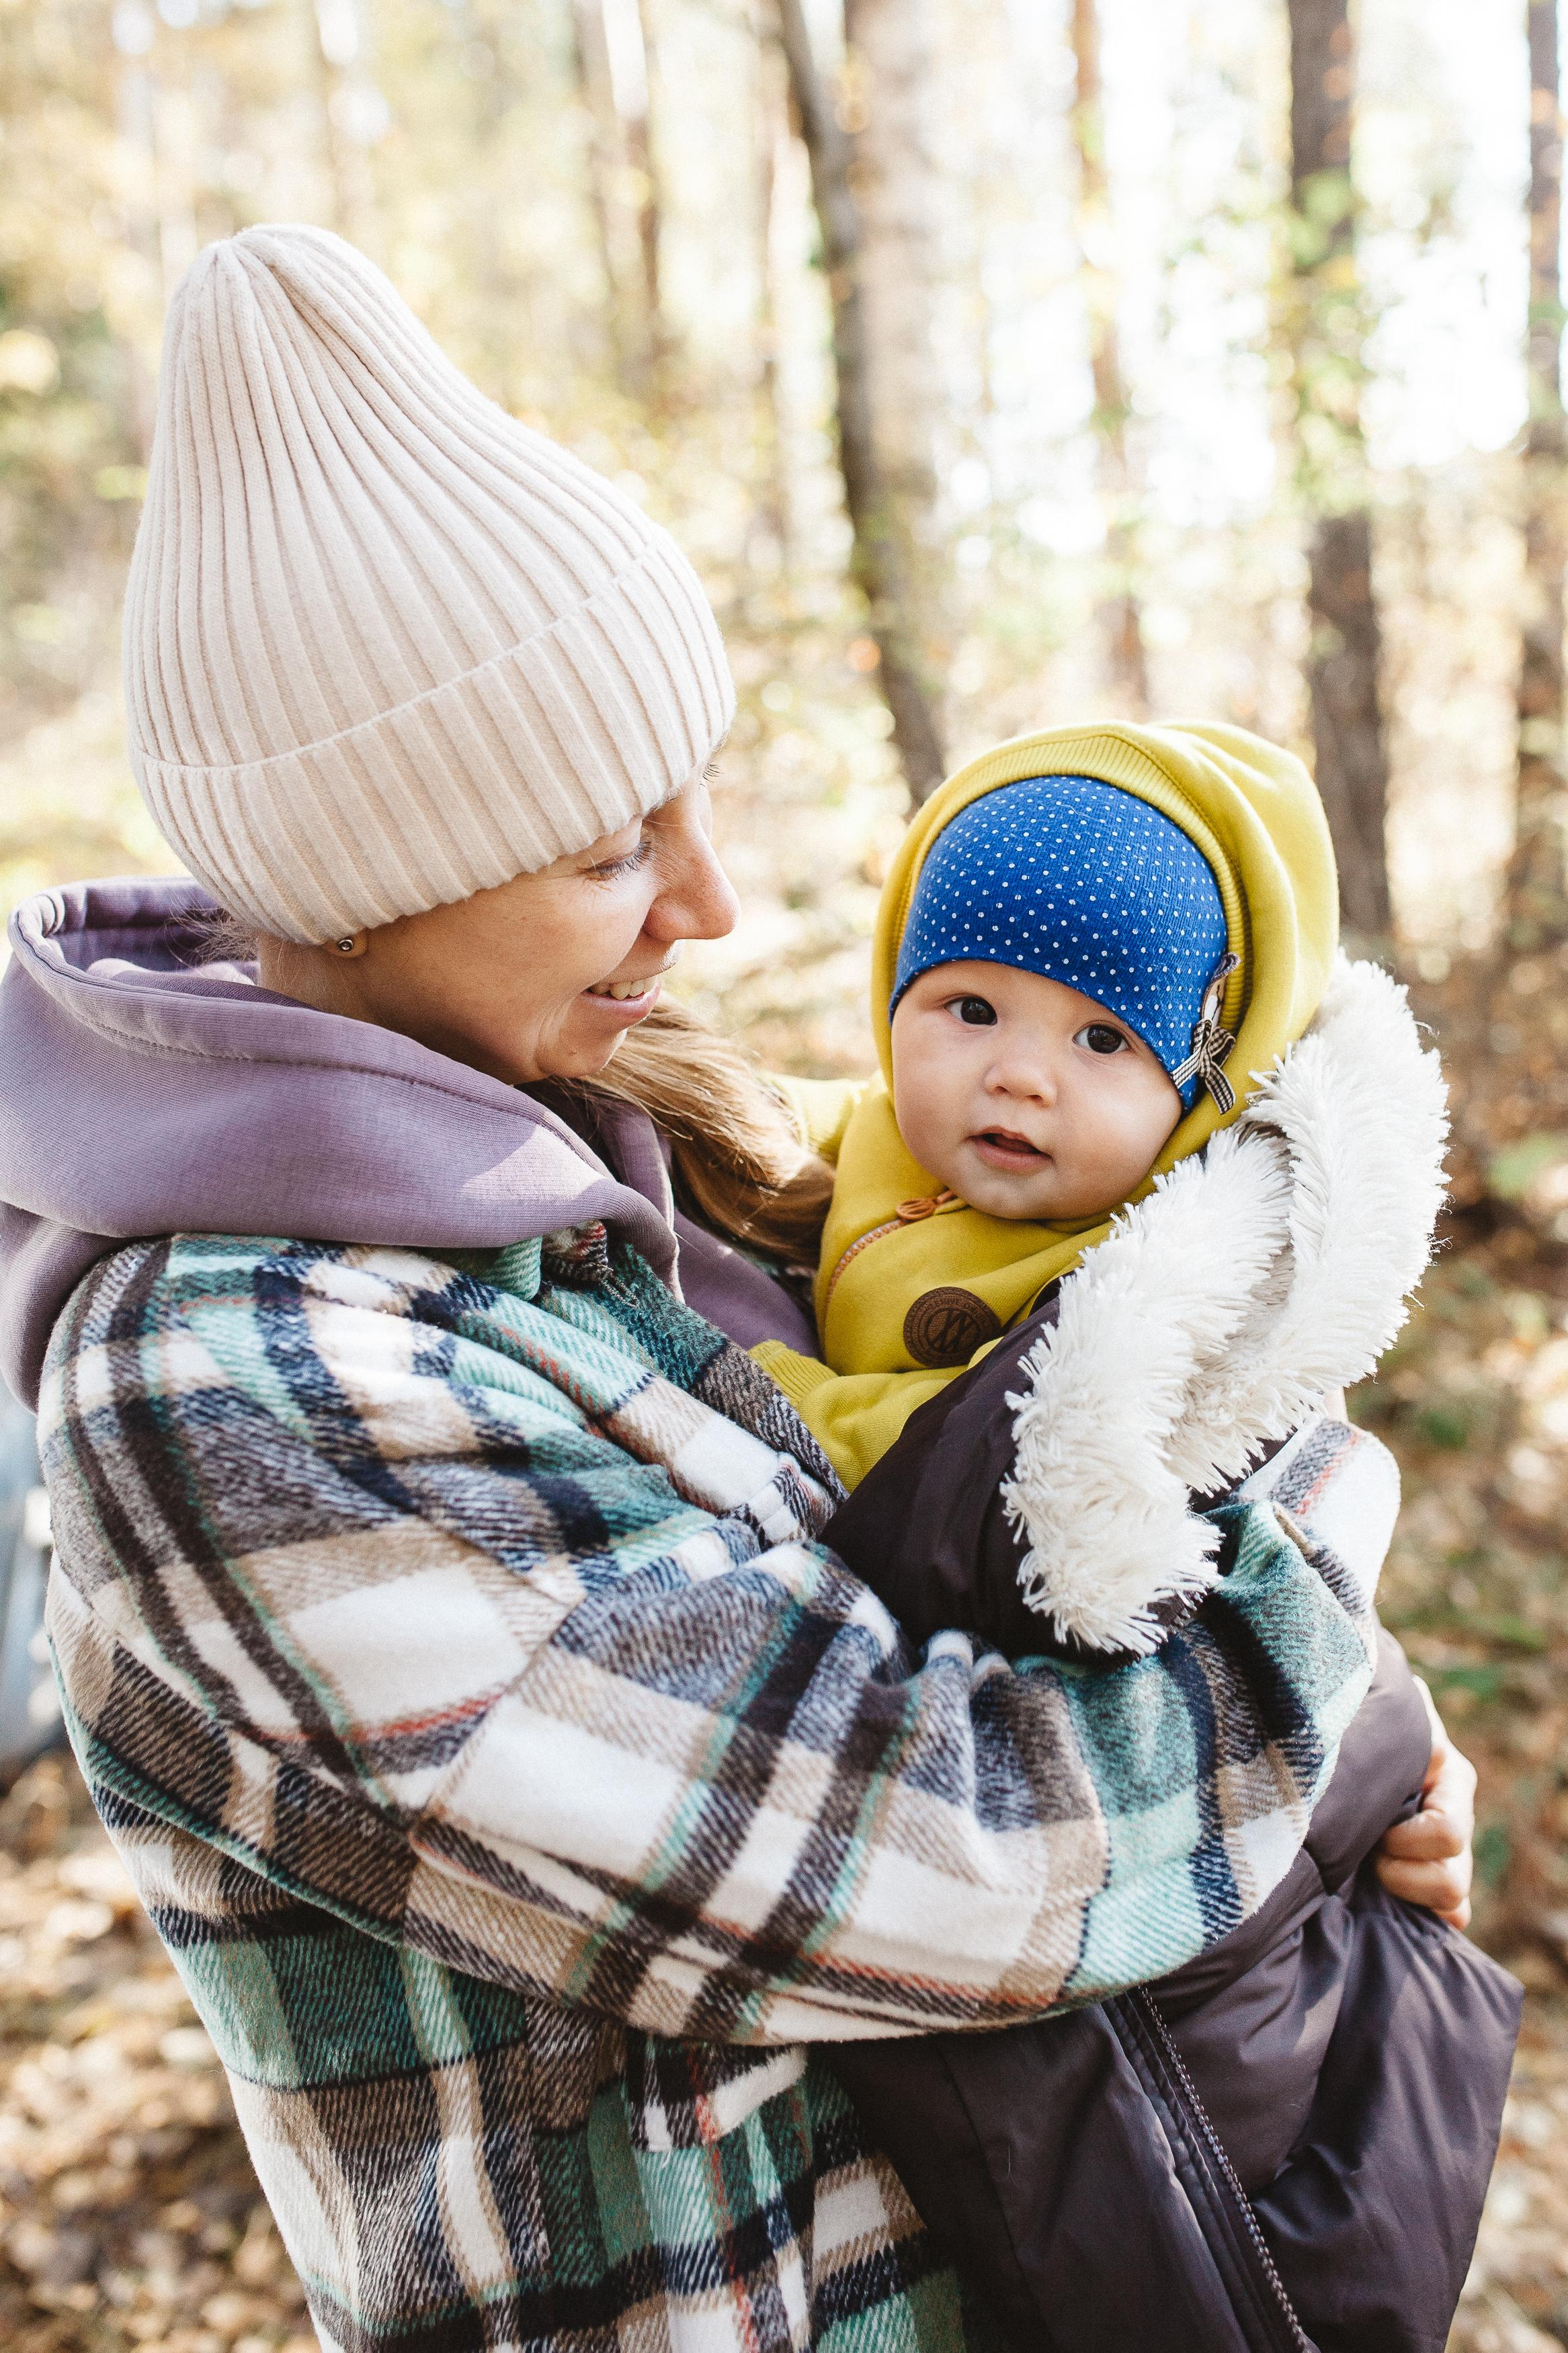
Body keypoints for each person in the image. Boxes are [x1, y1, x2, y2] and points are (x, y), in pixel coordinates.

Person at [0, 227, 1476, 2353]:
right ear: (368, 867)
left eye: (699, 795)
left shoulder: (618, 1141)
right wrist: (1318, 1681)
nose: (711, 899)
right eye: (616, 845)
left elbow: (1059, 1533)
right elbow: (964, 1853)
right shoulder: (229, 1387)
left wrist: (1324, 1797)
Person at [747, 733, 1522, 2349]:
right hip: (988, 1840)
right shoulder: (844, 1161)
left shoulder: (1155, 1270)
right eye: (968, 1009)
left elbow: (1195, 1509)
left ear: (1197, 1082)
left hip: (1165, 1826)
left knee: (1215, 2240)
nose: (1019, 1075)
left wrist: (790, 1406)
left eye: (1102, 1037)